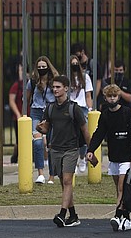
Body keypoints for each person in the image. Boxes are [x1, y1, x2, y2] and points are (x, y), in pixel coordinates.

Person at [35, 75, 91, 227]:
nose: (55, 89)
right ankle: (73, 216)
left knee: (67, 181)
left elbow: (85, 131)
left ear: (66, 88)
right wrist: (40, 128)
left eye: (58, 87)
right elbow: (47, 127)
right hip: (55, 149)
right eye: (53, 87)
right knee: (63, 184)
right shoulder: (51, 108)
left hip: (71, 149)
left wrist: (90, 150)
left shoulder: (74, 108)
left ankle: (61, 214)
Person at [86, 84, 131, 232]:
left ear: (119, 97)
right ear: (105, 98)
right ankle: (125, 217)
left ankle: (117, 215)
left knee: (123, 187)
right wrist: (91, 149)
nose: (112, 99)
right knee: (119, 189)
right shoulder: (105, 115)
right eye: (109, 96)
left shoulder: (127, 113)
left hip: (126, 157)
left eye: (114, 96)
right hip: (114, 157)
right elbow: (99, 133)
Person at [28, 56, 58, 184]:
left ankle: (52, 175)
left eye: (43, 67)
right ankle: (40, 173)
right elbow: (27, 97)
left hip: (51, 112)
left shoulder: (54, 81)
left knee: (51, 144)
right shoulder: (33, 81)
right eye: (39, 67)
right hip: (36, 111)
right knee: (38, 142)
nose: (41, 69)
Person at [69, 55, 94, 174]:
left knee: (84, 135)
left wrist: (89, 109)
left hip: (82, 108)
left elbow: (88, 95)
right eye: (72, 64)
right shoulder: (66, 78)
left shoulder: (85, 77)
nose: (74, 66)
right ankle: (73, 161)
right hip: (70, 108)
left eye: (75, 63)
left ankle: (83, 158)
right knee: (72, 135)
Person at [8, 63, 25, 164]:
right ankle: (15, 156)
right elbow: (11, 101)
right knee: (20, 141)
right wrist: (18, 114)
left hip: (29, 115)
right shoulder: (16, 85)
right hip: (18, 117)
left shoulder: (30, 84)